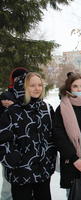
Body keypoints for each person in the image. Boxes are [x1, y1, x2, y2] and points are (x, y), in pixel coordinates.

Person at [0, 72, 56, 200]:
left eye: (39, 85)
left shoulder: (46, 108)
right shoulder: (12, 111)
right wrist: (13, 159)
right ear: (23, 87)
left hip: (43, 170)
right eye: (32, 85)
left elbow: (52, 136)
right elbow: (3, 139)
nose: (37, 88)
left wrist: (50, 157)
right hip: (21, 172)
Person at [0, 67, 29, 200]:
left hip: (28, 145)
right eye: (18, 78)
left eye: (24, 77)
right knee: (8, 181)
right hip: (10, 146)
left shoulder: (30, 94)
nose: (21, 81)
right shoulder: (5, 96)